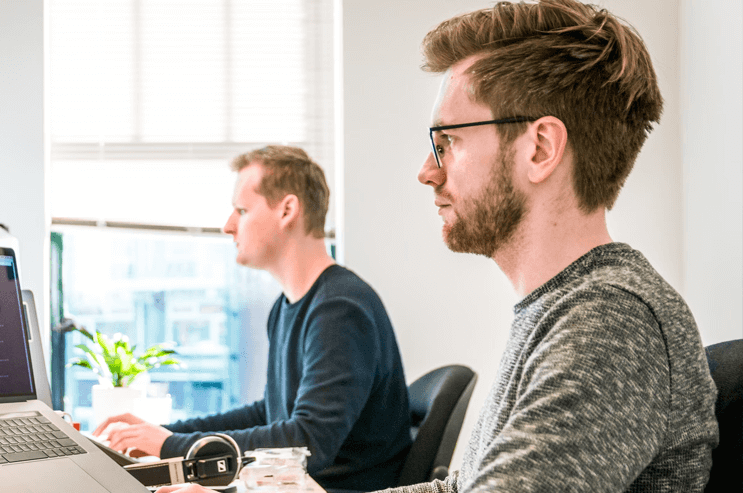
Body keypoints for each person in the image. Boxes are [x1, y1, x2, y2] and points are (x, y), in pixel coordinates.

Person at [153, 0, 719, 492]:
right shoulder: (562, 309)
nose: (427, 171)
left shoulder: (611, 321)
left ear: (540, 148)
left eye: (446, 141)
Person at [96, 145, 413, 492]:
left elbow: (308, 444)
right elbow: (270, 413)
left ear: (287, 210)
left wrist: (170, 446)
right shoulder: (289, 306)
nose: (228, 226)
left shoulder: (340, 310)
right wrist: (167, 433)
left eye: (242, 210)